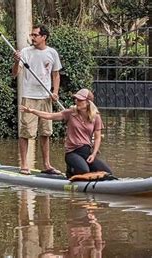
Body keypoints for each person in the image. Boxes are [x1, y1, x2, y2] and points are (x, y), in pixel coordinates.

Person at [20, 88, 113, 178]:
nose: (77, 101)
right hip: (72, 153)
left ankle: (89, 175)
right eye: (76, 99)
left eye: (80, 100)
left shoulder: (96, 117)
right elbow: (50, 116)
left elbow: (97, 138)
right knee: (84, 170)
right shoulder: (70, 113)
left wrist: (93, 154)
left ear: (88, 102)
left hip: (87, 152)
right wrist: (32, 111)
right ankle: (71, 171)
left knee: (108, 173)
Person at [12, 24, 62, 175]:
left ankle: (47, 164)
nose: (32, 38)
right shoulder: (25, 52)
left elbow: (56, 75)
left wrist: (55, 92)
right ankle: (24, 164)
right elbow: (14, 74)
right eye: (31, 35)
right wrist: (16, 61)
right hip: (29, 96)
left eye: (35, 35)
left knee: (46, 132)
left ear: (44, 37)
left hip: (46, 97)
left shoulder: (52, 53)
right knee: (25, 132)